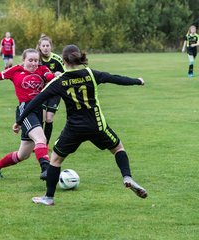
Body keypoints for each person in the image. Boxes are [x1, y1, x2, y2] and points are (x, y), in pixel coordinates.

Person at [13, 44, 148, 206]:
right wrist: (137, 81)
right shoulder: (91, 74)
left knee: (55, 160)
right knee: (118, 148)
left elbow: (35, 101)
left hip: (74, 129)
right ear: (78, 57)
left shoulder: (59, 81)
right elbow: (115, 78)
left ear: (63, 60)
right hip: (96, 124)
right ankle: (127, 177)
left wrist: (19, 122)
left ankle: (48, 197)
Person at [0, 49, 56, 180]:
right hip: (26, 110)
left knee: (23, 155)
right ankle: (46, 170)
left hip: (39, 111)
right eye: (30, 60)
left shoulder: (42, 69)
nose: (34, 63)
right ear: (23, 60)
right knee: (41, 139)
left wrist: (54, 76)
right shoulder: (16, 70)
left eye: (36, 60)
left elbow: (49, 77)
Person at [36, 34, 65, 145]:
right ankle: (40, 142)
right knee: (41, 118)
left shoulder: (57, 59)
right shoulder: (37, 59)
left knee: (49, 119)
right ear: (39, 47)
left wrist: (60, 75)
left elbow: (65, 74)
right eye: (43, 45)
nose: (45, 48)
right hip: (41, 92)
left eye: (47, 45)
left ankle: (45, 144)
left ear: (51, 47)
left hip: (55, 93)